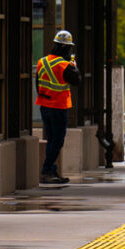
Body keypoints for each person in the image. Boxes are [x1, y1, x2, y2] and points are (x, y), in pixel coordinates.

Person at [36, 30, 81, 184]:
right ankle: (47, 169)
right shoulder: (64, 65)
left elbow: (38, 84)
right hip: (58, 107)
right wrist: (74, 67)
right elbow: (77, 81)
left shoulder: (42, 61)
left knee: (51, 139)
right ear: (65, 48)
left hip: (44, 106)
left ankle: (51, 170)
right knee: (58, 140)